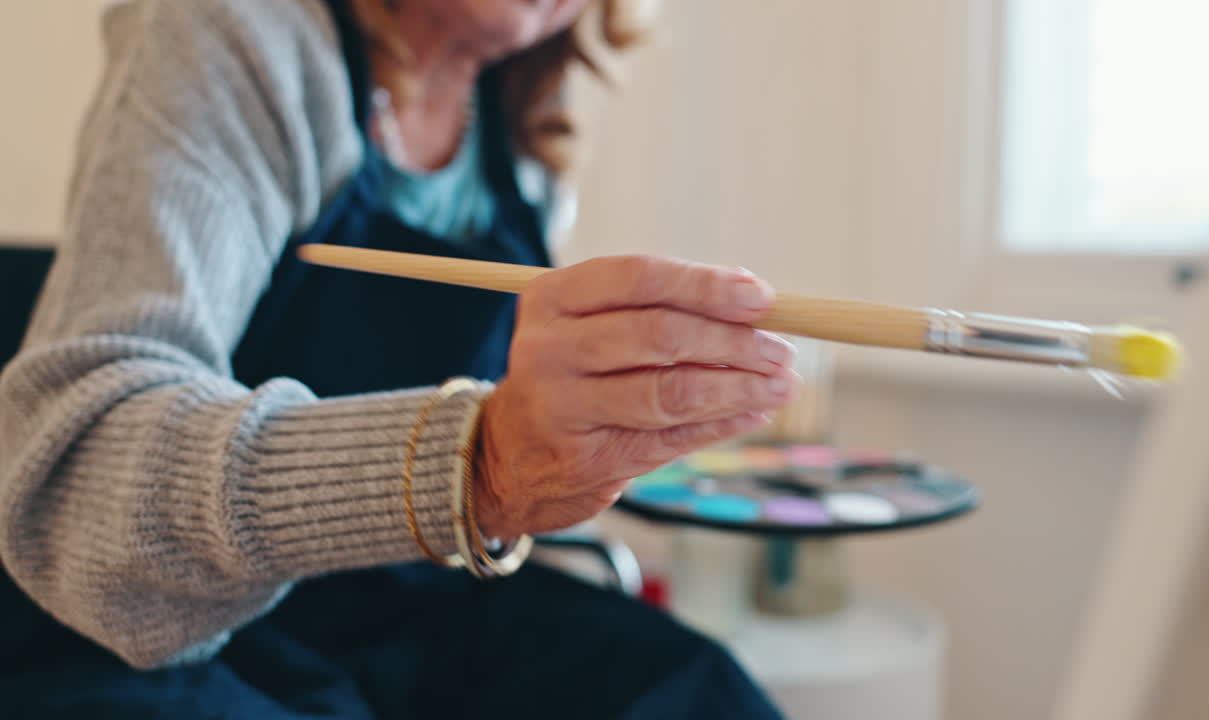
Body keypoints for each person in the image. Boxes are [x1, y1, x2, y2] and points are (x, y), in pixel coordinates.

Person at [0, 0, 800, 717]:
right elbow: (81, 482)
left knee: (694, 691)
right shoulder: (233, 32)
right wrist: (474, 464)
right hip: (168, 633)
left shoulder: (522, 118)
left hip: (414, 611)